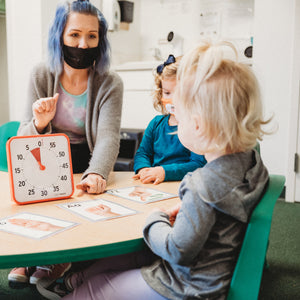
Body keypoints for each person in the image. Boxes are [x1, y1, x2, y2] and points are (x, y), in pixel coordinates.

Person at [37, 40, 270, 300]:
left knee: (100, 288)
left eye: (178, 115)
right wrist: (195, 209)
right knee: (131, 257)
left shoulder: (202, 185)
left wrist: (153, 218)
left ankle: (77, 290)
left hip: (184, 285)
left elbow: (176, 249)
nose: (174, 121)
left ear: (198, 125)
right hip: (211, 272)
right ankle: (74, 280)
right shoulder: (251, 162)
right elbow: (222, 203)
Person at [8, 0, 123, 288]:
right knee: (34, 197)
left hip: (86, 156)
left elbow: (109, 135)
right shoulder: (41, 74)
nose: (83, 44)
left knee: (79, 207)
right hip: (43, 154)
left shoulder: (111, 83)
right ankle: (25, 256)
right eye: (74, 35)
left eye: (92, 36)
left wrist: (97, 173)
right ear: (59, 36)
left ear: (100, 40)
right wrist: (38, 122)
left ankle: (59, 257)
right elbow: (23, 139)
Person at [132, 54, 206, 185]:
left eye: (179, 93)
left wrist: (164, 172)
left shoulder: (196, 127)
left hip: (182, 185)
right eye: (167, 93)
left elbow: (198, 164)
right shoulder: (156, 124)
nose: (173, 99)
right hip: (154, 185)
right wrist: (143, 169)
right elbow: (143, 153)